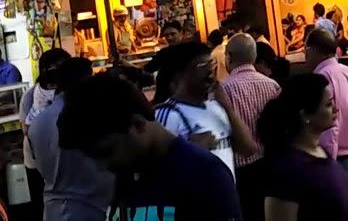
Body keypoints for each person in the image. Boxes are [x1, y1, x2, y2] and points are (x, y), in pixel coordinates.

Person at [57, 74, 243, 220]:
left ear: (138, 124)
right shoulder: (129, 174)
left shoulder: (203, 174)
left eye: (107, 152)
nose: (101, 166)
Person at [258, 73, 348, 221]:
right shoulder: (288, 169)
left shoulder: (320, 152)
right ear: (306, 115)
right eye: (328, 104)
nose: (336, 109)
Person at [29, 57, 115, 221]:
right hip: (88, 208)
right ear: (85, 80)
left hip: (53, 210)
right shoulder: (86, 115)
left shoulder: (37, 122)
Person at [153, 42, 256, 177]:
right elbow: (157, 170)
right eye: (202, 66)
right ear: (180, 74)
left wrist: (228, 108)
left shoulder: (216, 107)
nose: (210, 72)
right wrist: (192, 150)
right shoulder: (168, 113)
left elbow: (248, 149)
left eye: (211, 65)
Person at [306, 28, 348, 211]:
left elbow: (330, 122)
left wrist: (326, 159)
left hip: (340, 156)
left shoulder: (322, 77)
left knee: (340, 211)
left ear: (312, 50)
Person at [221, 33, 281, 221]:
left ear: (229, 57)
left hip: (242, 171)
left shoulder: (223, 89)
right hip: (271, 164)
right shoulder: (273, 85)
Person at [19, 48, 70, 220]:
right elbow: (25, 129)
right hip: (36, 161)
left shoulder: (69, 93)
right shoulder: (31, 95)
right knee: (40, 205)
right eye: (54, 69)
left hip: (63, 158)